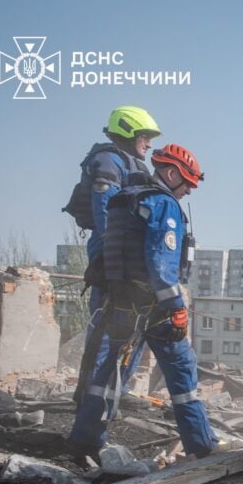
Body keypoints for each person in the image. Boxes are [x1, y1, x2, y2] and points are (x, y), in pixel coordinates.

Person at [67, 144, 219, 463]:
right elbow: (161, 267)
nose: (190, 190)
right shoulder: (162, 204)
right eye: (188, 182)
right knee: (182, 374)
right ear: (172, 172)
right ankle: (202, 446)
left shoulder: (125, 199)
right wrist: (177, 308)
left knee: (106, 374)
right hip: (154, 309)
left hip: (120, 303)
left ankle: (84, 439)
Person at [66, 106, 161, 407]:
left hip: (127, 252)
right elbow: (104, 212)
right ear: (129, 131)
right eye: (145, 136)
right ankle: (91, 395)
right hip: (110, 249)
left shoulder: (132, 164)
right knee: (108, 323)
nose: (149, 143)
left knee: (136, 322)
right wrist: (113, 257)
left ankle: (115, 390)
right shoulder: (108, 160)